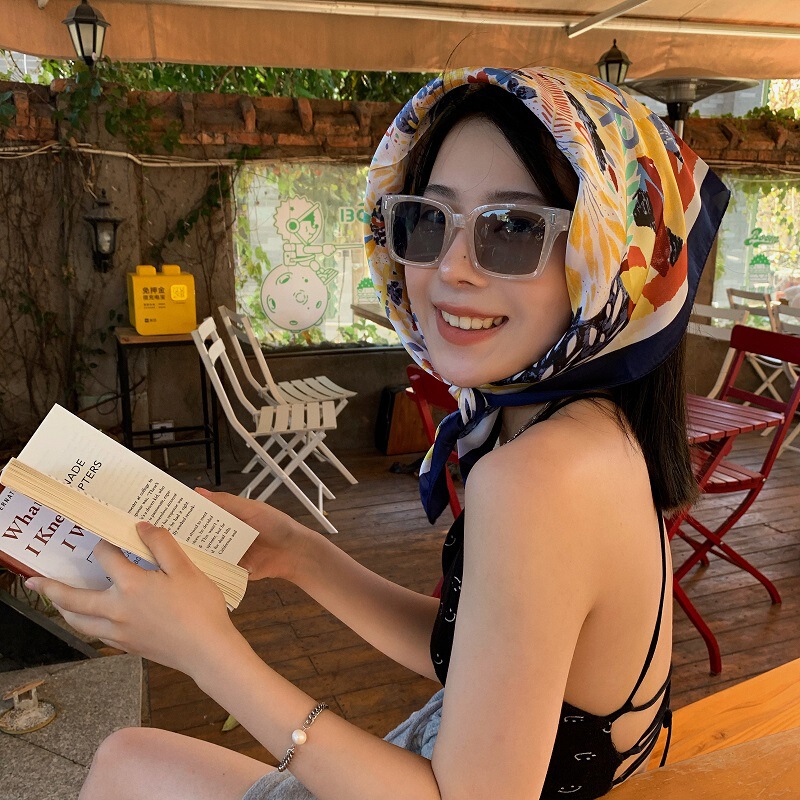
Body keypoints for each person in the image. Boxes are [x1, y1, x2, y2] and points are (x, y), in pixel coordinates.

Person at [24, 66, 730, 800]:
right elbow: (476, 653)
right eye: (429, 220)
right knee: (128, 757)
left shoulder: (538, 477)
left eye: (514, 229)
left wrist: (204, 650)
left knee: (123, 764)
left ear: (610, 259)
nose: (451, 268)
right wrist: (299, 553)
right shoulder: (588, 427)